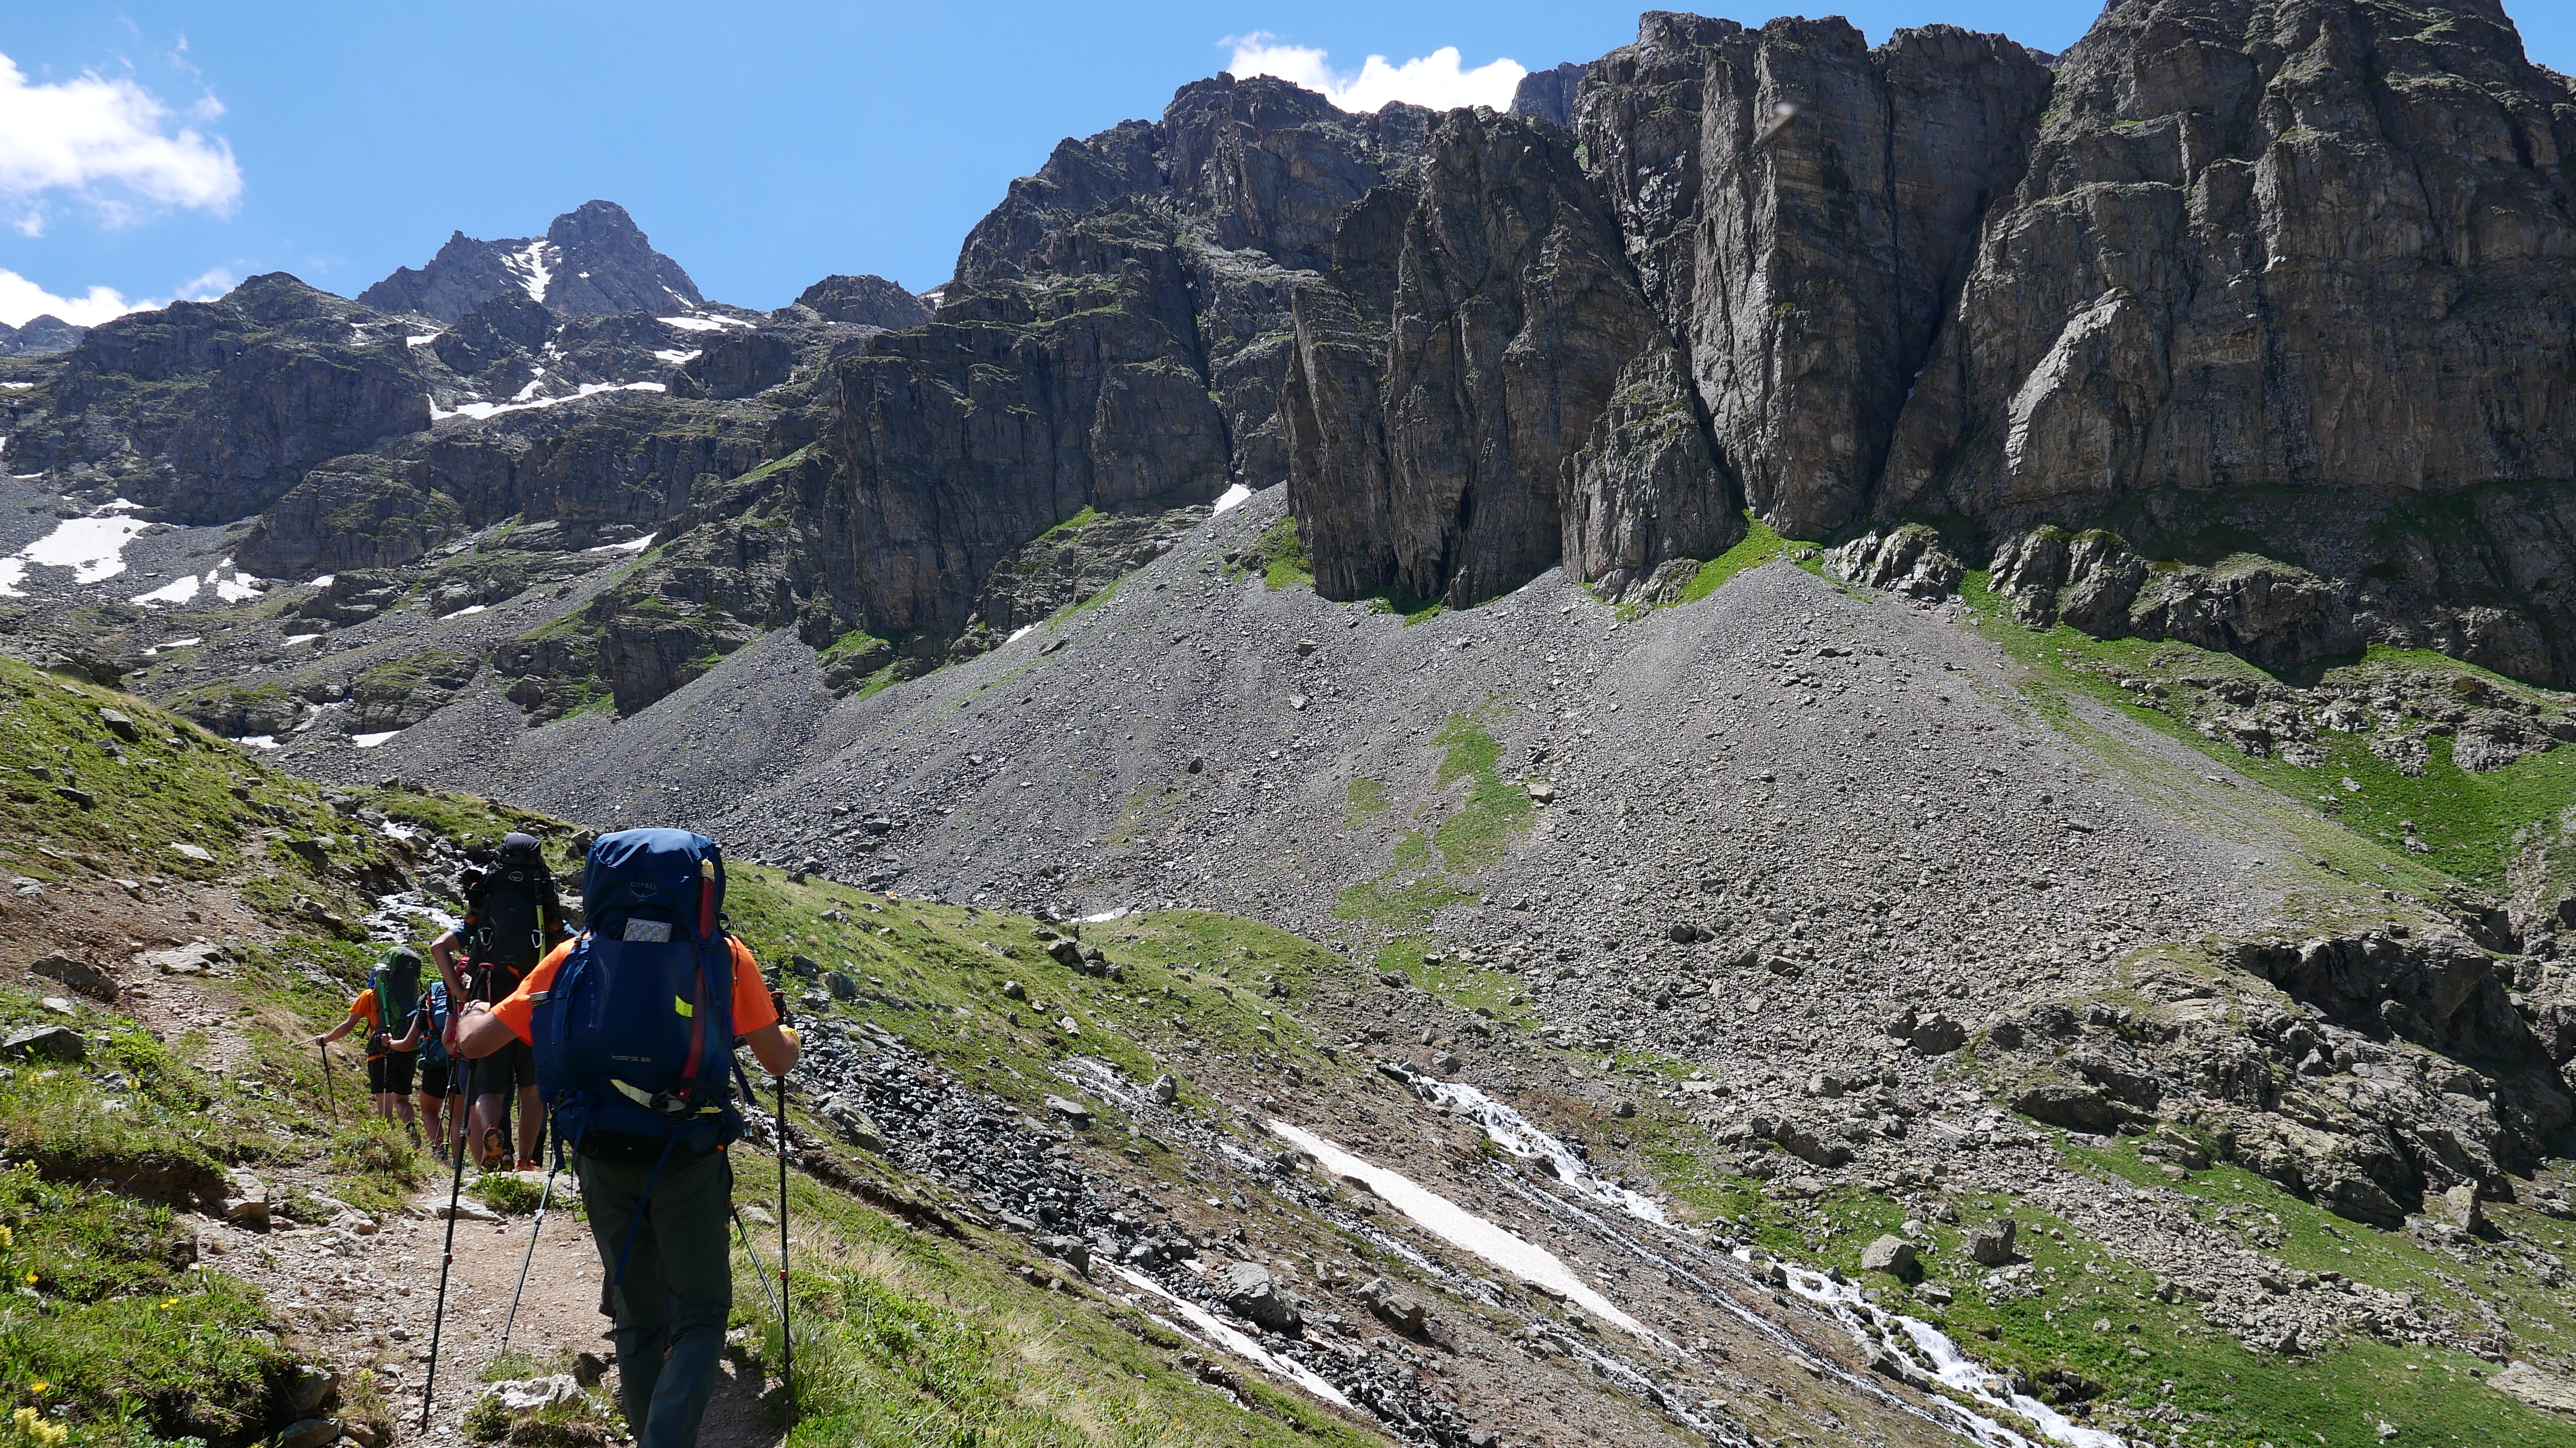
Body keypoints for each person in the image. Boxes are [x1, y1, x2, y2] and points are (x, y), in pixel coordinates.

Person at [452, 831, 797, 1448]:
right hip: (689, 1151)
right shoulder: (722, 955)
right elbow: (776, 1061)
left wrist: (475, 1015)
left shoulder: (573, 955)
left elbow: (475, 1046)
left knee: (638, 1320)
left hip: (600, 1148)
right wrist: (788, 1029)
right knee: (700, 1317)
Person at [433, 832, 568, 1170]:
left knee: (489, 1090)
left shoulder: (486, 903)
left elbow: (439, 947)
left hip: (488, 1003)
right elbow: (573, 946)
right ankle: (526, 1160)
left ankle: (493, 1132)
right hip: (533, 1005)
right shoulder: (542, 899)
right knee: (532, 1091)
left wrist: (461, 992)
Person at [310, 947, 424, 1148]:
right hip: (407, 1048)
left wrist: (325, 1039)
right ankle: (410, 1128)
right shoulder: (415, 995)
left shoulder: (370, 995)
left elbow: (348, 1026)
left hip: (380, 1051)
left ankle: (388, 1145)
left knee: (384, 1104)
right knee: (402, 1099)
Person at [388, 979, 462, 1164]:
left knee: (429, 1111)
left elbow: (407, 1044)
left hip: (434, 1063)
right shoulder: (469, 994)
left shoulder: (430, 997)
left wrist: (388, 1043)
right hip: (462, 1059)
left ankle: (438, 1152)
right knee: (458, 1115)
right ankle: (458, 1160)